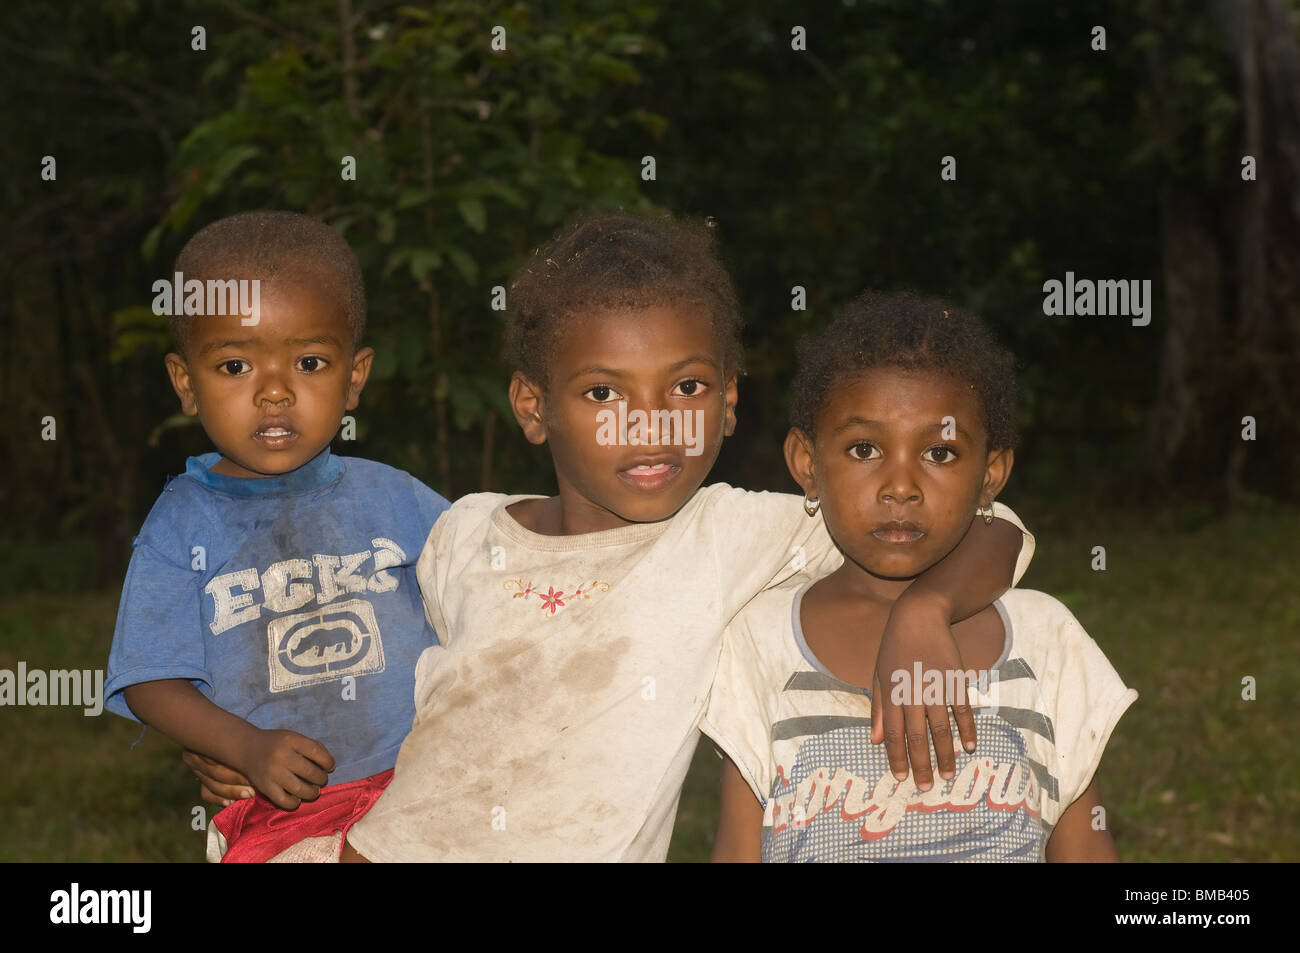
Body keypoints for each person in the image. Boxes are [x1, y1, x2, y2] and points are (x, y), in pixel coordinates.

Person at [338, 212, 1036, 862]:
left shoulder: (732, 535)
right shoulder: (463, 532)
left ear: (729, 402)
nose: (652, 423)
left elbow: (990, 524)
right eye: (604, 393)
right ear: (533, 405)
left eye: (688, 387)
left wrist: (925, 609)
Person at [705, 291, 1137, 862]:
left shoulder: (1048, 640)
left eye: (939, 453)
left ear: (992, 474)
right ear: (807, 464)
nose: (900, 485)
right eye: (864, 449)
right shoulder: (757, 642)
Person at [104, 211, 449, 862]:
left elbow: (490, 582)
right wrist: (242, 744)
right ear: (186, 383)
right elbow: (150, 678)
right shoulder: (182, 525)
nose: (274, 392)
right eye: (235, 365)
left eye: (310, 361)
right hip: (282, 817)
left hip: (424, 788)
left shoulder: (396, 498)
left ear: (354, 376)